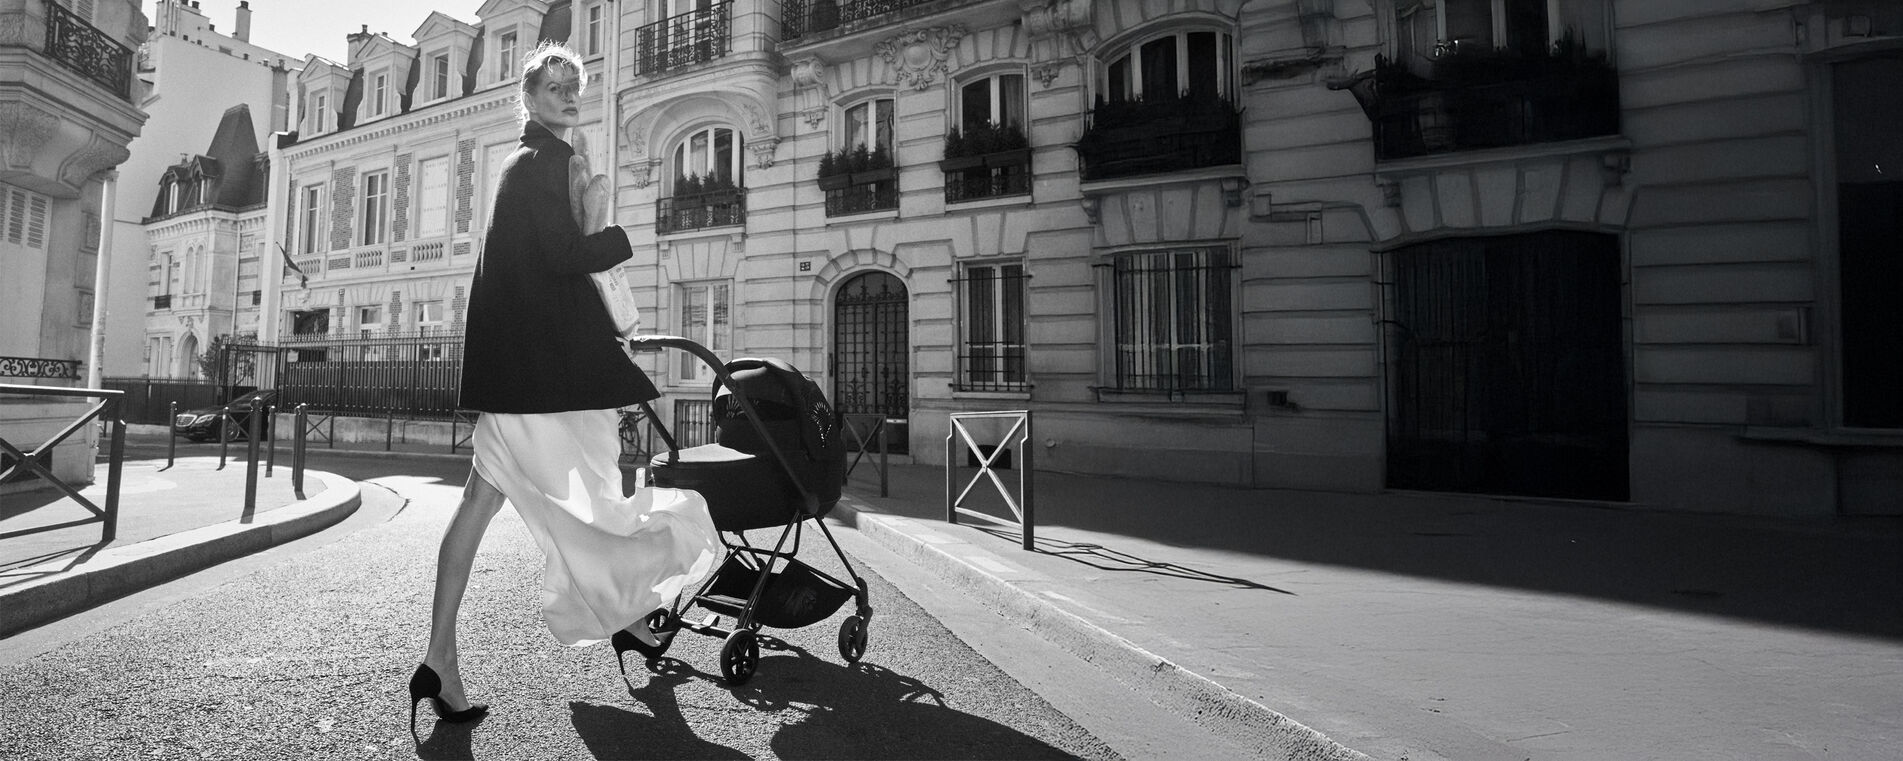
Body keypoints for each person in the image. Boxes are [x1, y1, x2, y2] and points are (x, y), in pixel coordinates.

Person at [408, 41, 721, 732]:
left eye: (574, 86)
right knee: (593, 499)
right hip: (543, 381)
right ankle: (628, 614)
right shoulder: (543, 161)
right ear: (528, 96)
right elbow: (562, 256)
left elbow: (528, 266)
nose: (568, 97)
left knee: (479, 505)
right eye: (554, 87)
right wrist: (615, 234)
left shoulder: (519, 164)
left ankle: (439, 661)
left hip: (516, 375)